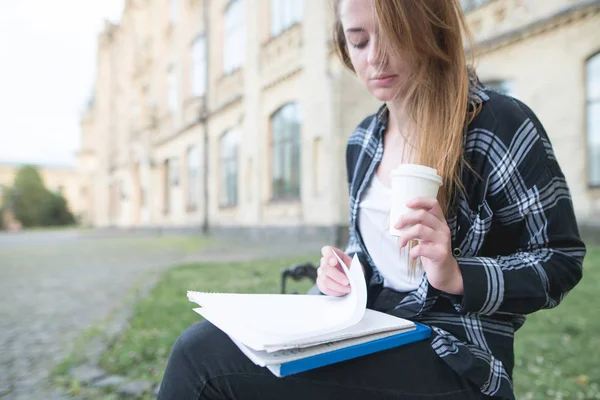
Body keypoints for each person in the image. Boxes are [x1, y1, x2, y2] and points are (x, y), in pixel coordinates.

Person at [157, 0, 585, 399]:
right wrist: (343, 272)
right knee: (210, 342)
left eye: (392, 36)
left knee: (200, 360)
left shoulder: (496, 123)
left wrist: (455, 274)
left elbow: (560, 259)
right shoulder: (364, 139)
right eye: (358, 40)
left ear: (429, 28)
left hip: (455, 355)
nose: (373, 58)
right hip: (372, 328)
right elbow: (372, 254)